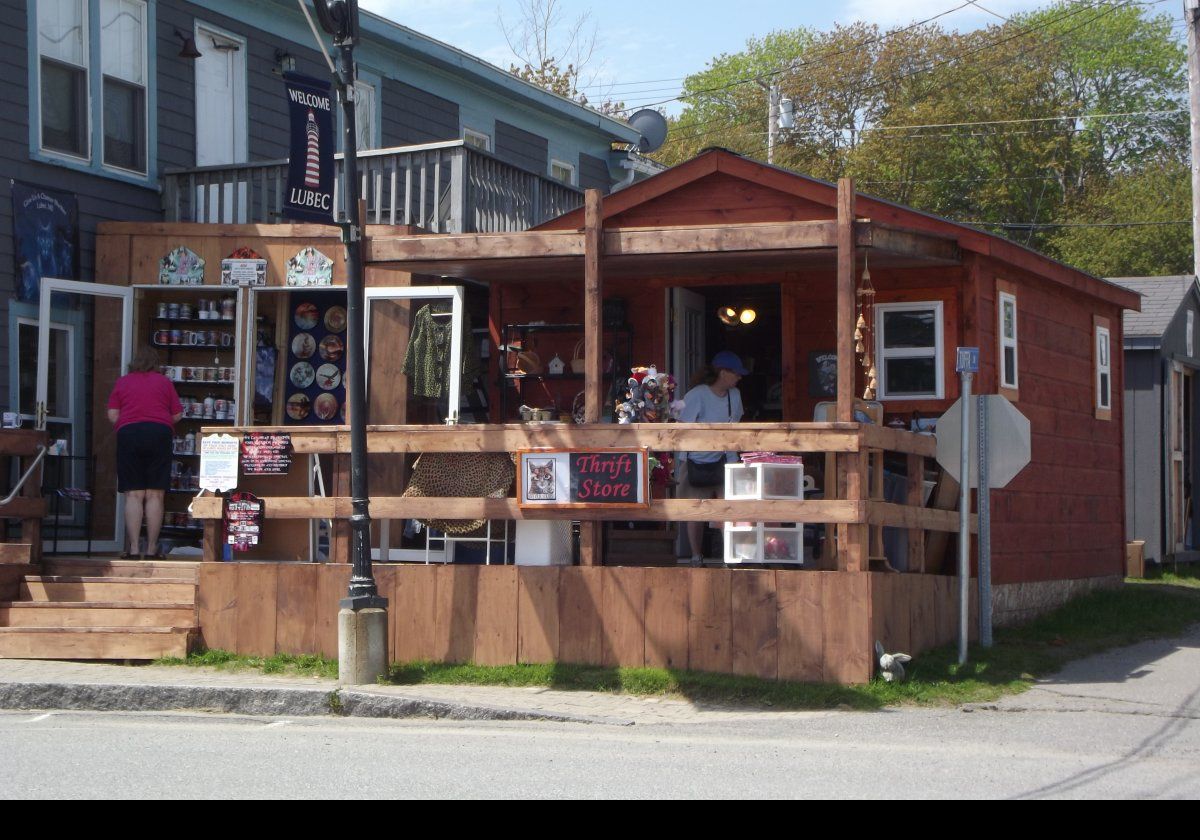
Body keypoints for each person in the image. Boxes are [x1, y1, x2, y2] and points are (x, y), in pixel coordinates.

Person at [107, 348, 182, 559]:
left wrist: (127, 423)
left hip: (129, 434)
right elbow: (177, 415)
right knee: (155, 494)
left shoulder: (123, 382)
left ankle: (133, 549)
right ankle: (151, 549)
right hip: (159, 434)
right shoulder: (164, 383)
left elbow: (113, 414)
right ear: (156, 365)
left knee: (133, 493)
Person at [677, 350, 747, 566]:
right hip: (695, 460)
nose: (739, 377)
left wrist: (735, 462)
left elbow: (734, 429)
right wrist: (682, 462)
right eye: (736, 373)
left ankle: (729, 556)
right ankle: (696, 556)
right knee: (695, 510)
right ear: (723, 373)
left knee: (727, 509)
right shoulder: (697, 394)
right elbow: (682, 428)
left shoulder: (735, 396)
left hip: (724, 460)